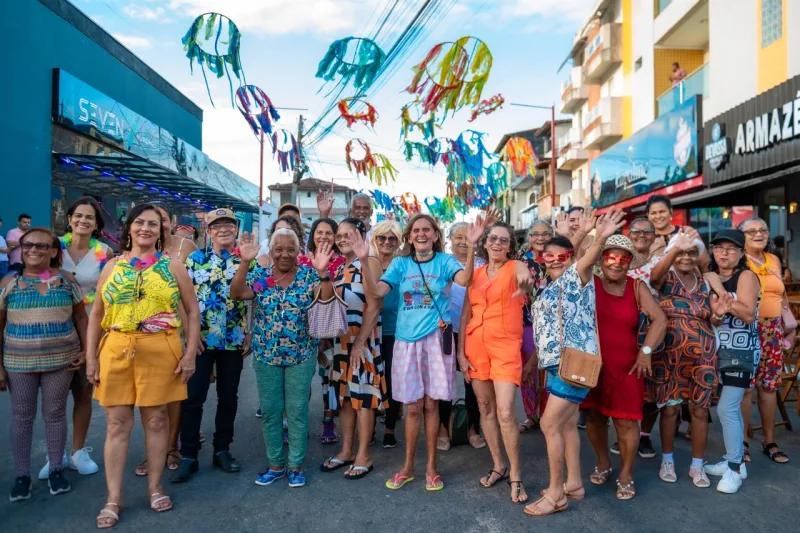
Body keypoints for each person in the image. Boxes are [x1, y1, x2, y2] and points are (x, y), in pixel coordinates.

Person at [86, 203, 200, 527]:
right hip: (117, 348)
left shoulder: (173, 266)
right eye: (140, 223)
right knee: (117, 425)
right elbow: (96, 313)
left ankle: (155, 487)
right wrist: (92, 357)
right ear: (129, 227)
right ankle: (113, 499)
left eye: (153, 224)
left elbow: (192, 312)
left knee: (156, 421)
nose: (146, 229)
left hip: (160, 348)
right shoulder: (111, 267)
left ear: (162, 231)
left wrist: (189, 353)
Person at [359, 213, 484, 492]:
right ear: (410, 236)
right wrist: (364, 261)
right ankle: (407, 468)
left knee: (431, 405)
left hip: (436, 341)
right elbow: (377, 290)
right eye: (416, 230)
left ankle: (431, 468)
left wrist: (472, 244)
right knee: (412, 406)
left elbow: (464, 279)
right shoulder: (402, 265)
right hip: (406, 342)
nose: (421, 234)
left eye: (427, 229)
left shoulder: (445, 261)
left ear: (436, 235)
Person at [523, 209, 625, 517]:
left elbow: (588, 256)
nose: (554, 260)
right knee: (566, 425)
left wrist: (601, 235)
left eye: (561, 256)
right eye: (548, 257)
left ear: (571, 256)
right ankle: (574, 483)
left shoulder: (576, 276)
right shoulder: (549, 286)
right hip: (557, 365)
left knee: (548, 423)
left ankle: (556, 494)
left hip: (574, 364)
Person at [231, 229, 334, 489]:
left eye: (291, 249)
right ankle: (276, 465)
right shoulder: (262, 276)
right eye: (279, 249)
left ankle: (296, 467)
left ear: (298, 252)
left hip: (301, 354)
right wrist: (245, 262)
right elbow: (238, 294)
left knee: (298, 411)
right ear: (270, 251)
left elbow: (326, 300)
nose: (284, 254)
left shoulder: (308, 275)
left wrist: (323, 273)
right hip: (266, 354)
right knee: (271, 412)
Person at [0, 228, 88, 502]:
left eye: (42, 246)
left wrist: (87, 351)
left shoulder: (66, 281)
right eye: (28, 245)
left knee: (55, 414)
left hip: (62, 361)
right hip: (18, 362)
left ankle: (56, 470)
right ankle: (22, 475)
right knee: (22, 417)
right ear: (21, 248)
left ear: (53, 252)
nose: (34, 250)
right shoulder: (8, 283)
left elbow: (81, 318)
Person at [581, 235, 666, 501]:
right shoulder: (589, 283)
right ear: (601, 260)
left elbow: (660, 320)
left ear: (630, 263)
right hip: (592, 363)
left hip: (628, 366)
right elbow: (571, 261)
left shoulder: (636, 286)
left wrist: (646, 352)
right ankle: (603, 462)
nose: (616, 263)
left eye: (623, 259)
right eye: (610, 257)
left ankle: (626, 474)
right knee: (594, 416)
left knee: (627, 422)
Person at [172, 209, 251, 484]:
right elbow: (181, 298)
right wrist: (191, 333)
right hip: (202, 340)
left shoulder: (246, 260)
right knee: (193, 397)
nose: (224, 229)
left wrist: (250, 331)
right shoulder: (194, 260)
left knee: (228, 398)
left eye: (229, 224)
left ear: (236, 229)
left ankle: (222, 450)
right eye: (217, 225)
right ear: (209, 231)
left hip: (233, 339)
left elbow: (258, 296)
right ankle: (189, 455)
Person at [38, 197, 113, 480]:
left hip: (92, 329)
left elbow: (110, 292)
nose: (83, 221)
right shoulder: (54, 247)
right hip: (55, 328)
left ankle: (78, 452)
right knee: (53, 399)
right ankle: (54, 455)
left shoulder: (105, 253)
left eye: (89, 218)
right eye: (78, 216)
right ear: (69, 219)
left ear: (96, 225)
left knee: (83, 392)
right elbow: (40, 279)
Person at [458, 222, 532, 503]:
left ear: (510, 245)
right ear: (485, 243)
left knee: (504, 412)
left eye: (503, 240)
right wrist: (460, 354)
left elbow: (526, 278)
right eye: (493, 239)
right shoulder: (474, 274)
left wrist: (526, 283)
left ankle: (515, 474)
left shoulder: (516, 267)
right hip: (476, 346)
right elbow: (465, 315)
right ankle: (498, 465)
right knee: (486, 408)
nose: (498, 244)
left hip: (505, 347)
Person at [649, 231, 724, 488]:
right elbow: (654, 277)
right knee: (670, 409)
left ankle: (697, 465)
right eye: (681, 252)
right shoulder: (666, 276)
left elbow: (714, 317)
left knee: (699, 410)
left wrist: (720, 316)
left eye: (692, 252)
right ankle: (667, 460)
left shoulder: (706, 281)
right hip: (670, 354)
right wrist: (675, 248)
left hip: (703, 353)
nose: (686, 257)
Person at [320, 218, 385, 480]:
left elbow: (376, 303)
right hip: (341, 343)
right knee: (345, 397)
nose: (343, 238)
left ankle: (363, 456)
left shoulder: (369, 262)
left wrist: (360, 343)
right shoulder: (339, 268)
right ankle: (346, 450)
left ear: (361, 235)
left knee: (363, 398)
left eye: (350, 234)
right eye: (340, 235)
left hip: (364, 341)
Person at [703, 229, 760, 493]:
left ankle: (735, 469)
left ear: (740, 253)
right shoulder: (711, 278)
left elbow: (748, 314)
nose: (724, 253)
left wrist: (716, 286)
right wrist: (716, 315)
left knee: (726, 408)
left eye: (731, 249)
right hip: (718, 350)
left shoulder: (746, 276)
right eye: (719, 248)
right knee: (731, 409)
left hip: (742, 350)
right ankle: (732, 460)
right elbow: (717, 316)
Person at [740, 217, 790, 464]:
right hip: (748, 327)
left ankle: (769, 440)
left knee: (769, 387)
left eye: (763, 230)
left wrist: (787, 322)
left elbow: (781, 293)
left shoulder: (773, 260)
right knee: (747, 388)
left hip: (774, 330)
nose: (758, 234)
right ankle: (743, 442)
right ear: (743, 236)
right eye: (752, 231)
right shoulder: (740, 261)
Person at [441, 222, 485, 450]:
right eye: (457, 237)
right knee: (445, 383)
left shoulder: (482, 264)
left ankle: (473, 429)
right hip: (445, 330)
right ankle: (444, 430)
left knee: (473, 383)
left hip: (474, 331)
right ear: (449, 239)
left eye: (466, 237)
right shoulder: (443, 262)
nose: (462, 242)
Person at [306, 217, 346, 445]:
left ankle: (328, 421)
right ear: (312, 235)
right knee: (301, 380)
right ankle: (295, 422)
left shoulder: (342, 262)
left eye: (329, 233)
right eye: (319, 232)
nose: (323, 236)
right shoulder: (302, 261)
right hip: (302, 330)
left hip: (331, 331)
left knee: (328, 380)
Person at [369, 220, 404, 448]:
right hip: (370, 329)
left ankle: (390, 428)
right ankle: (368, 428)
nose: (387, 242)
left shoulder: (402, 264)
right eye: (382, 238)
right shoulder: (368, 262)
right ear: (375, 240)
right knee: (371, 380)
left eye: (392, 238)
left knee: (393, 382)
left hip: (396, 330)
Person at [518, 220, 553, 433]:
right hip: (526, 323)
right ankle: (532, 415)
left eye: (545, 234)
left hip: (552, 324)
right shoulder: (521, 260)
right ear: (529, 237)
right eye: (536, 234)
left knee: (549, 372)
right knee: (528, 372)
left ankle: (549, 415)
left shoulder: (558, 257)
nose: (540, 238)